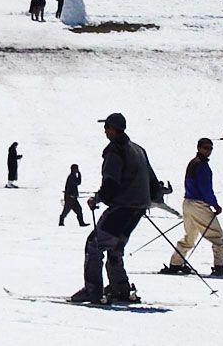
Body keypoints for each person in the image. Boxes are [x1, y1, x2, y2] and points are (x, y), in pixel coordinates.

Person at [71, 113, 163, 304]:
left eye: (107, 128)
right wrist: (152, 199)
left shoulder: (115, 151)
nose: (105, 131)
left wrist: (98, 199)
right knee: (116, 246)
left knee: (94, 244)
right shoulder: (139, 150)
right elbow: (153, 181)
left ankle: (93, 291)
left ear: (113, 129)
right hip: (139, 207)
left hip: (122, 206)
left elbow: (111, 182)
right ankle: (119, 288)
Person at [159, 138, 223, 277]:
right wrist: (215, 204)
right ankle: (219, 266)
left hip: (187, 203)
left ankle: (176, 264)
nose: (208, 151)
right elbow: (205, 189)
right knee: (217, 236)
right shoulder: (202, 166)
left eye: (210, 148)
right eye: (205, 148)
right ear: (198, 148)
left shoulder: (193, 163)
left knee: (190, 236)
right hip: (199, 204)